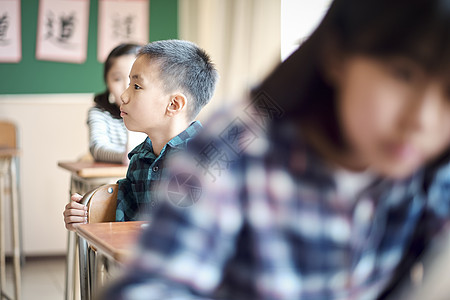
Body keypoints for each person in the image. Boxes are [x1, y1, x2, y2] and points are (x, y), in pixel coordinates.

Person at [100, 0, 450, 299]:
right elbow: (156, 281)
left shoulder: (429, 171)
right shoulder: (233, 147)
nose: (422, 120)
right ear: (337, 54)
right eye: (403, 74)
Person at [63, 39, 218, 229]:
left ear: (173, 104)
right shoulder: (140, 158)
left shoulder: (207, 160)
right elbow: (126, 221)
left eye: (136, 86)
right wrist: (87, 216)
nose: (124, 95)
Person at [87, 43, 143, 164]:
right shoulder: (100, 113)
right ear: (107, 82)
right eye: (117, 79)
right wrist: (128, 155)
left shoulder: (152, 114)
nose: (126, 86)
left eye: (134, 79)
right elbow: (97, 148)